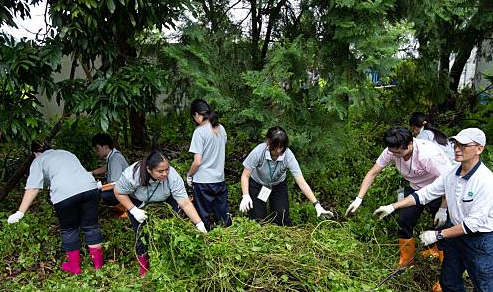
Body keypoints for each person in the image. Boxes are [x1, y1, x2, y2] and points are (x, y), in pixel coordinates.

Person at [373, 128, 493, 292]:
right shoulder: (452, 172)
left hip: (483, 240)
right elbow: (425, 194)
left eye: (464, 146)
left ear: (479, 149)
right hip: (457, 237)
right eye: (455, 144)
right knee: (448, 279)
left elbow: (472, 225)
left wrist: (437, 235)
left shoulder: (486, 181)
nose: (457, 148)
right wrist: (393, 207)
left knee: (486, 291)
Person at [345, 127, 451, 292]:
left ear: (410, 144)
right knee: (404, 221)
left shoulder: (428, 155)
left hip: (438, 191)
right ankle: (406, 261)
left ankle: (447, 277)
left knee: (442, 229)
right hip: (415, 190)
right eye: (392, 152)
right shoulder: (391, 150)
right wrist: (359, 199)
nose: (394, 156)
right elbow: (373, 173)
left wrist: (443, 208)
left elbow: (448, 181)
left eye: (398, 153)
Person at [7, 142, 104, 274]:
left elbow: (33, 187)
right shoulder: (65, 153)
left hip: (65, 195)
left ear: (35, 153)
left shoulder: (38, 161)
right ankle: (98, 266)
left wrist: (20, 212)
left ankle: (74, 268)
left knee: (69, 229)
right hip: (90, 188)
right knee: (91, 226)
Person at [114, 150, 207, 276]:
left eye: (167, 169)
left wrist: (199, 224)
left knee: (172, 229)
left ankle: (171, 263)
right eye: (160, 171)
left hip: (165, 200)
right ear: (149, 170)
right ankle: (144, 271)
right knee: (141, 235)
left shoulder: (172, 177)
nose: (165, 174)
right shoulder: (132, 175)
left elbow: (185, 202)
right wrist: (133, 210)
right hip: (138, 202)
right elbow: (118, 192)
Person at [239, 126, 334, 225]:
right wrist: (245, 195)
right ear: (268, 142)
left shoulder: (288, 155)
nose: (278, 151)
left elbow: (301, 181)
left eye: (281, 147)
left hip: (278, 184)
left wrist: (317, 205)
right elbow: (245, 175)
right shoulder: (258, 152)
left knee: (283, 218)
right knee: (257, 218)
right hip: (258, 184)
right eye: (275, 147)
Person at [186, 99, 232, 230]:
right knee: (222, 213)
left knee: (203, 214)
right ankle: (227, 237)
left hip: (203, 181)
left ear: (196, 114)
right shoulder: (221, 128)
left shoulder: (199, 132)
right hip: (219, 179)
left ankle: (205, 239)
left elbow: (197, 161)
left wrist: (189, 175)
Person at [90, 132, 129, 205]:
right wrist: (92, 172)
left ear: (105, 147)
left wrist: (99, 188)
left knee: (103, 195)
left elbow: (114, 184)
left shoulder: (115, 159)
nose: (96, 152)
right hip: (124, 189)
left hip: (126, 192)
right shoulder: (113, 156)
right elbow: (107, 167)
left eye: (97, 148)